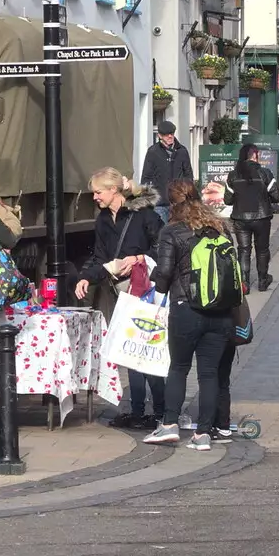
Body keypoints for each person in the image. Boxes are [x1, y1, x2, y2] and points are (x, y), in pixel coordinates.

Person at [144, 181, 237, 452]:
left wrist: (155, 281)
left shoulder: (172, 231)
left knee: (179, 368)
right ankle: (203, 435)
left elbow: (162, 276)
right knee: (209, 374)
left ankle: (170, 425)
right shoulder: (220, 227)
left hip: (186, 309)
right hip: (221, 312)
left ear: (173, 205)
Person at [75, 169, 165, 428]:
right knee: (129, 352)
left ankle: (161, 411)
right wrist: (86, 277)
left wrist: (138, 258)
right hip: (121, 292)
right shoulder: (103, 220)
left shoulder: (143, 215)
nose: (95, 197)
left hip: (146, 290)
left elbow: (163, 247)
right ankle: (137, 410)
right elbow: (100, 256)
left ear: (114, 190)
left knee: (148, 350)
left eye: (98, 192)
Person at [224, 143, 279, 292]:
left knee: (244, 250)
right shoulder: (265, 173)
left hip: (240, 219)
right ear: (255, 156)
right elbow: (277, 196)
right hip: (262, 218)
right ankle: (262, 280)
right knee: (262, 250)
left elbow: (227, 200)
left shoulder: (233, 175)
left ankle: (245, 284)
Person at [139, 121, 193, 222]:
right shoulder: (153, 152)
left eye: (171, 133)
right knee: (161, 233)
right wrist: (149, 200)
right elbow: (146, 178)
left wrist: (187, 194)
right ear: (159, 135)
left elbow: (188, 175)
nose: (169, 136)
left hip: (179, 202)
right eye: (166, 134)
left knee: (180, 232)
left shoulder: (182, 151)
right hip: (160, 203)